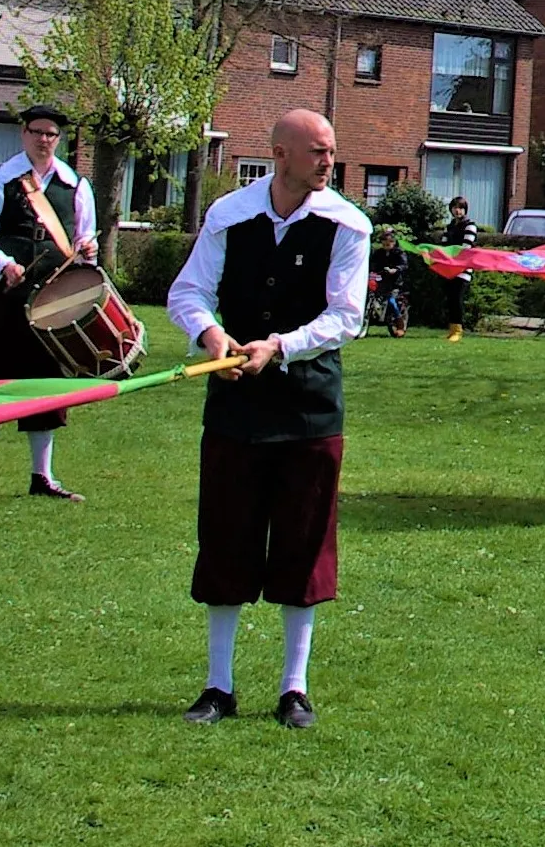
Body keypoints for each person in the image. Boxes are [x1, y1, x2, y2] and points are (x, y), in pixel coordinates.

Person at [167, 108, 370, 729]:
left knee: (303, 545)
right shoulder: (229, 216)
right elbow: (188, 292)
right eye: (318, 152)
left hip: (310, 406)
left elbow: (347, 317)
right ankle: (218, 686)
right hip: (235, 407)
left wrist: (278, 344)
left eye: (332, 152)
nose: (329, 163)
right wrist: (211, 337)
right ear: (280, 153)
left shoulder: (347, 224)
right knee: (227, 538)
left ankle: (294, 688)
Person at [0, 104, 98, 503]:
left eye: (51, 134)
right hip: (7, 298)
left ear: (59, 139)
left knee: (46, 386)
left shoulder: (75, 185)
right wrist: (3, 264)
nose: (44, 140)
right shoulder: (0, 180)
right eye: (37, 132)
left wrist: (86, 250)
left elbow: (84, 244)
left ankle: (43, 476)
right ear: (23, 134)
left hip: (54, 301)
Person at [442, 195, 477, 341]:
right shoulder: (449, 227)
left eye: (461, 208)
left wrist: (454, 257)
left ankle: (458, 330)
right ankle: (452, 329)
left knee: (457, 298)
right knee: (450, 299)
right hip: (449, 268)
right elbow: (443, 245)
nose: (458, 211)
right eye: (455, 207)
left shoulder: (470, 226)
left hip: (463, 269)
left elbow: (466, 247)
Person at [367, 226, 409, 336]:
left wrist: (395, 270)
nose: (386, 244)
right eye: (384, 242)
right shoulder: (378, 253)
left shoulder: (399, 253)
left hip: (395, 282)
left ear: (394, 242)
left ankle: (400, 324)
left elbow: (404, 265)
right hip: (380, 280)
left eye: (389, 242)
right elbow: (372, 264)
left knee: (391, 301)